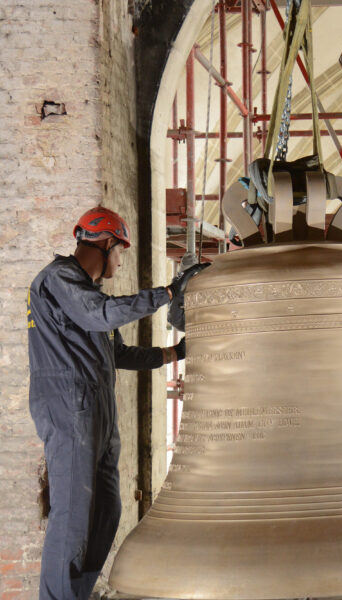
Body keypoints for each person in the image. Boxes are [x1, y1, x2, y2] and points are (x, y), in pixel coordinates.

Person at [27, 207, 204, 600]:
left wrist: (176, 352)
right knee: (72, 519)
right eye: (121, 251)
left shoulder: (89, 299)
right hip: (69, 408)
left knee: (107, 512)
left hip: (96, 411)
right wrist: (169, 294)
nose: (121, 261)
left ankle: (78, 592)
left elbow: (118, 353)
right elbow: (102, 315)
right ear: (107, 244)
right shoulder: (57, 281)